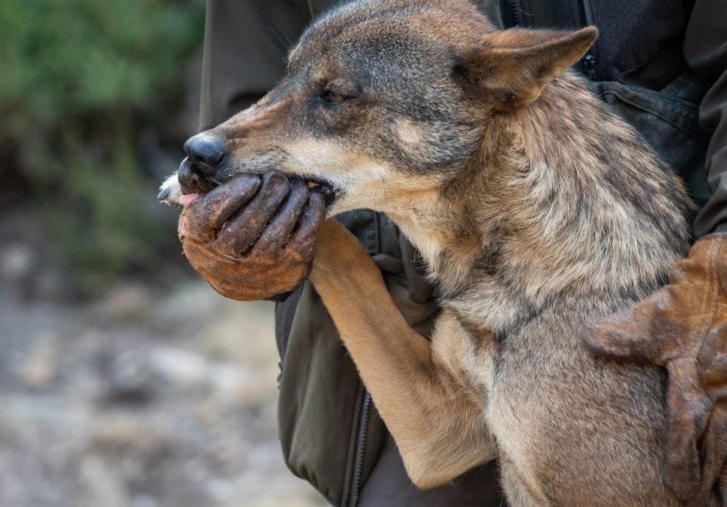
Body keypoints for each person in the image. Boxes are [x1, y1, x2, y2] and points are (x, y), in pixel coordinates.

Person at [178, 0, 727, 504]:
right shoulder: (531, 309)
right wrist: (289, 237)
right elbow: (435, 445)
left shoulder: (589, 340)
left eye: (333, 97)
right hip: (445, 290)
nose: (220, 137)